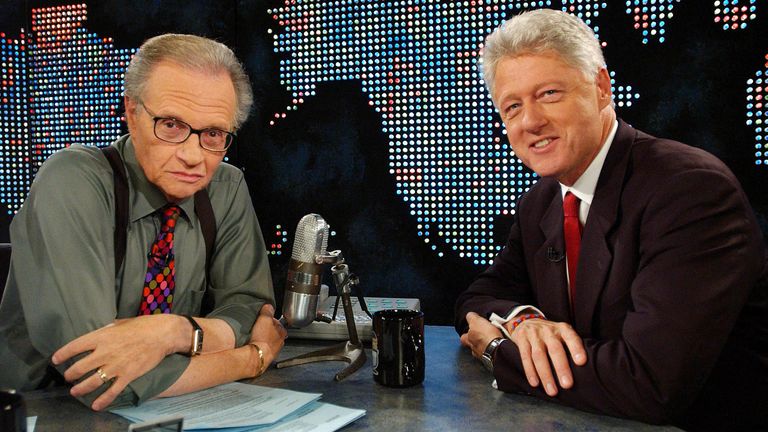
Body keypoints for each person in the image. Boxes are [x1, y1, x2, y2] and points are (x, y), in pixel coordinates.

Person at [455, 8, 768, 430]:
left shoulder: (691, 191)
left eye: (548, 93)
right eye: (512, 106)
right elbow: (476, 300)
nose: (530, 121)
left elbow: (648, 383)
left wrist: (498, 350)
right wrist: (523, 320)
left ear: (601, 87)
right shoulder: (542, 201)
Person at [0, 34, 287, 411]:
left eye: (213, 134)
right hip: (40, 407)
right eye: (171, 125)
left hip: (174, 406)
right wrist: (252, 357)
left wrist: (172, 332)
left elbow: (250, 309)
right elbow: (98, 378)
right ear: (131, 113)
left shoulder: (226, 187)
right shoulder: (72, 179)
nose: (192, 156)